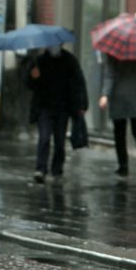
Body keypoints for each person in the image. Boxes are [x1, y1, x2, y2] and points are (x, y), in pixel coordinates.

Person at [25, 45, 88, 183]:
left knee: (59, 141)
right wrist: (33, 76)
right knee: (44, 138)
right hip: (44, 107)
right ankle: (41, 169)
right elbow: (29, 84)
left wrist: (82, 104)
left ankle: (57, 169)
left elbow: (78, 82)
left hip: (62, 108)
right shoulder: (39, 61)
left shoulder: (69, 60)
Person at [99, 56, 136, 178]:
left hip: (120, 95)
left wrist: (105, 95)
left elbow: (110, 75)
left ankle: (123, 166)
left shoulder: (114, 50)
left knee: (119, 132)